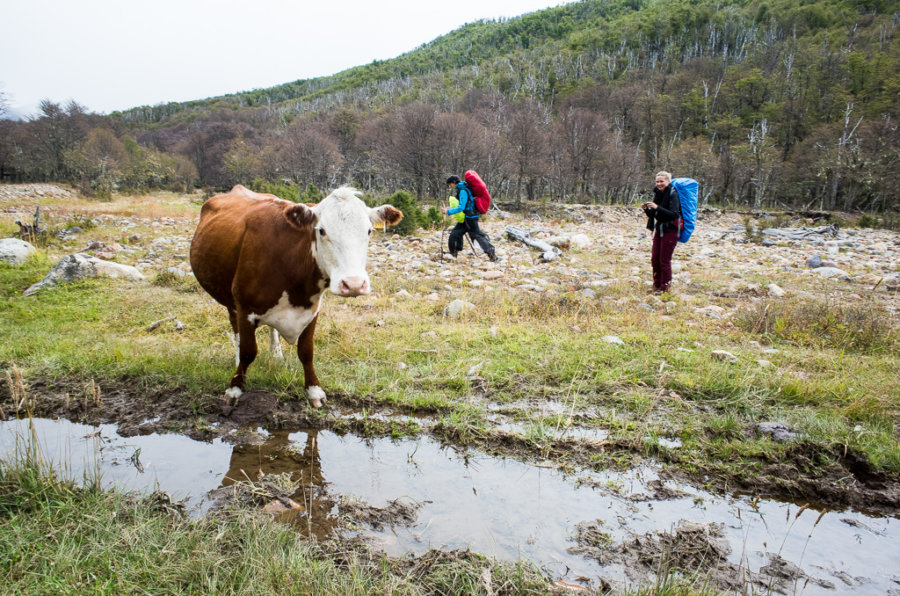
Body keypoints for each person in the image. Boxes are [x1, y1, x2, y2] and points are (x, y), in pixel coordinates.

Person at [642, 171, 682, 293]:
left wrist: (657, 207)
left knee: (664, 260)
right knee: (655, 259)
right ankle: (656, 285)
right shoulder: (659, 194)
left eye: (662, 181)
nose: (659, 184)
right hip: (659, 230)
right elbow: (655, 215)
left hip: (671, 231)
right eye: (657, 181)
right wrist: (647, 210)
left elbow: (674, 215)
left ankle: (665, 288)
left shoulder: (673, 194)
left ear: (668, 181)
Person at [443, 175, 497, 261]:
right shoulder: (463, 188)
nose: (450, 187)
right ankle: (453, 253)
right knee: (455, 233)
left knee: (476, 236)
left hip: (470, 218)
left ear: (454, 182)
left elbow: (461, 207)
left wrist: (448, 212)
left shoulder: (463, 191)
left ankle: (492, 254)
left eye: (450, 184)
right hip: (468, 217)